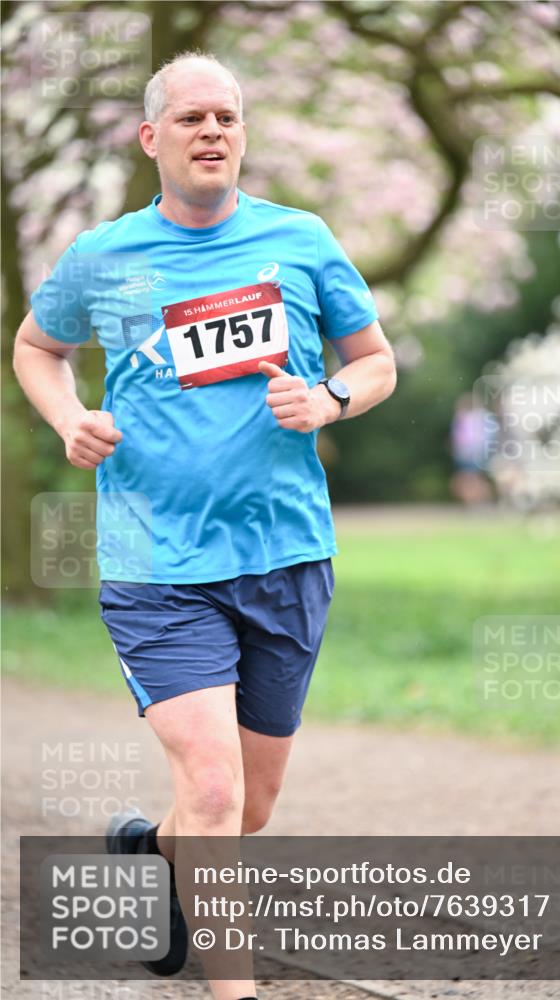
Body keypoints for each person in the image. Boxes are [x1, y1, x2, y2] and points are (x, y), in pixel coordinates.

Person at [13, 52, 396, 1000]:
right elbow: (35, 348)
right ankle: (236, 991)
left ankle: (148, 854)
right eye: (191, 119)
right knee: (216, 790)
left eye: (226, 117)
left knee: (246, 806)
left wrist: (330, 398)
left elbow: (376, 360)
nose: (213, 132)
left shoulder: (301, 241)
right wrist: (70, 418)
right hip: (155, 561)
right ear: (153, 138)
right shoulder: (102, 255)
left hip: (284, 555)